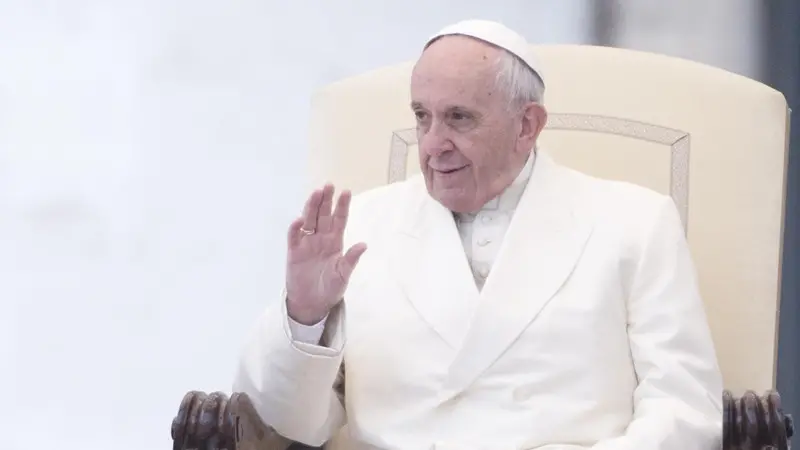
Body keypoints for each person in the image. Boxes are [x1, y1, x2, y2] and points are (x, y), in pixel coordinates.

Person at [233, 19, 723, 450]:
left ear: (526, 125)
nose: (432, 144)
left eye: (459, 118)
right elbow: (294, 424)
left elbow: (685, 411)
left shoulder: (634, 222)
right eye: (422, 116)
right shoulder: (360, 227)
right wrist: (305, 316)